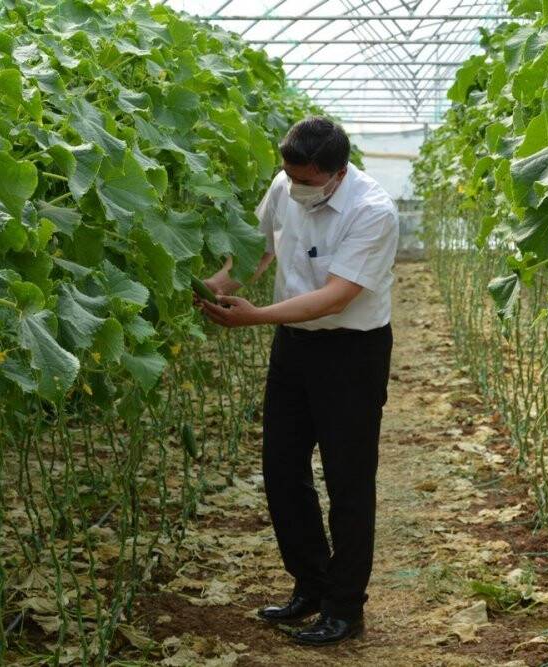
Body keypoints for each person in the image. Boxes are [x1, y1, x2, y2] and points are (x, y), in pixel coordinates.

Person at [196, 116, 398, 646]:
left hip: (352, 352)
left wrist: (256, 316)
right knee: (282, 471)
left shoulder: (372, 211)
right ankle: (310, 585)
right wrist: (213, 287)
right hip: (295, 346)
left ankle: (345, 608)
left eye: (306, 182)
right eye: (290, 178)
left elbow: (337, 295)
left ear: (335, 173)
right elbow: (257, 250)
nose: (296, 189)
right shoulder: (286, 185)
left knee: (348, 482)